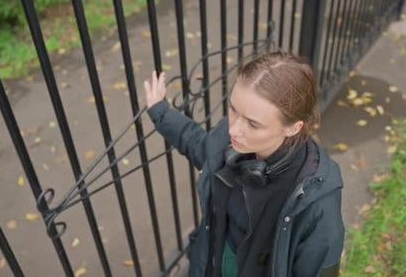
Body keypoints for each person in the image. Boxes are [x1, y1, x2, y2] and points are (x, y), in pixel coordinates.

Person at [144, 51, 344, 277]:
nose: (233, 129)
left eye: (253, 124)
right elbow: (199, 145)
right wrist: (160, 112)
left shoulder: (316, 203)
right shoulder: (232, 142)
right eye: (233, 109)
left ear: (292, 127)